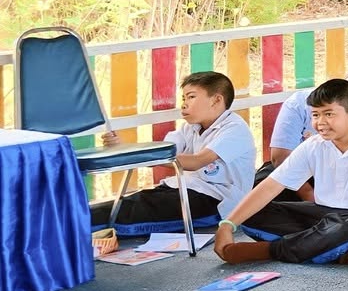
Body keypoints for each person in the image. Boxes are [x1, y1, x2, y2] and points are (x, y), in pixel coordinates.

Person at [213, 78, 348, 265]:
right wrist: (228, 224)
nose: (320, 123)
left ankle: (271, 250)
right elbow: (271, 186)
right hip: (323, 215)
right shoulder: (313, 145)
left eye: (329, 114)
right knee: (254, 213)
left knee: (347, 227)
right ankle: (325, 247)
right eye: (315, 115)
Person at [95, 69, 255, 236]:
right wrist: (124, 147)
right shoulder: (189, 128)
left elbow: (196, 162)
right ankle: (75, 217)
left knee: (130, 211)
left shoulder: (234, 129)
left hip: (216, 200)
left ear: (216, 100)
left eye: (191, 97)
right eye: (183, 98)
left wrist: (135, 153)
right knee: (128, 202)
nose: (184, 104)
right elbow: (162, 151)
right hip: (182, 188)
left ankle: (76, 224)